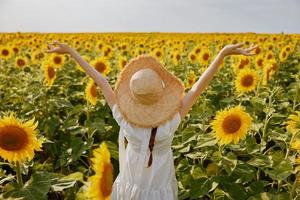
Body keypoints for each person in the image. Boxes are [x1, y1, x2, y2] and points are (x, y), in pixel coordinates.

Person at [45, 40, 258, 200]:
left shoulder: (125, 119)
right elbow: (198, 88)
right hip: (160, 181)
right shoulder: (171, 120)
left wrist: (72, 52)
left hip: (132, 181)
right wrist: (222, 54)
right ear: (161, 94)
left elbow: (100, 81)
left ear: (133, 97)